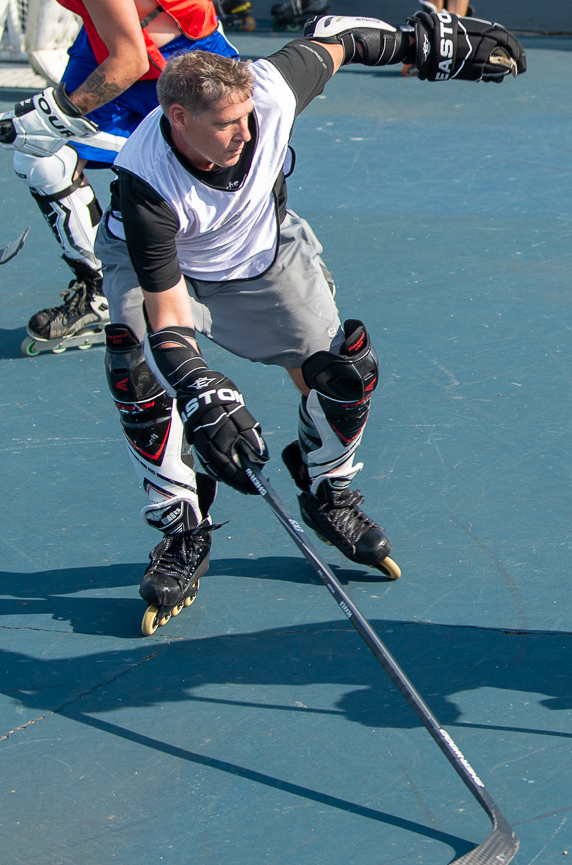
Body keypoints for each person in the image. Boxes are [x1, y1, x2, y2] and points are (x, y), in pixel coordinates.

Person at [97, 11, 525, 634]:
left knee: (344, 373)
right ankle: (181, 527)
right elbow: (168, 312)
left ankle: (328, 487)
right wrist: (198, 386)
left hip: (260, 249)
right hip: (166, 271)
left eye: (246, 117)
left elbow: (342, 41)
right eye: (225, 125)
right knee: (140, 374)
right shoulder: (146, 181)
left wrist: (416, 44)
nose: (245, 133)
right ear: (178, 120)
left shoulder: (266, 93)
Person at [0, 0, 237, 355]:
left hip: (183, 68)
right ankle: (98, 290)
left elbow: (130, 60)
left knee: (207, 172)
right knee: (42, 156)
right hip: (111, 36)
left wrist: (51, 117)